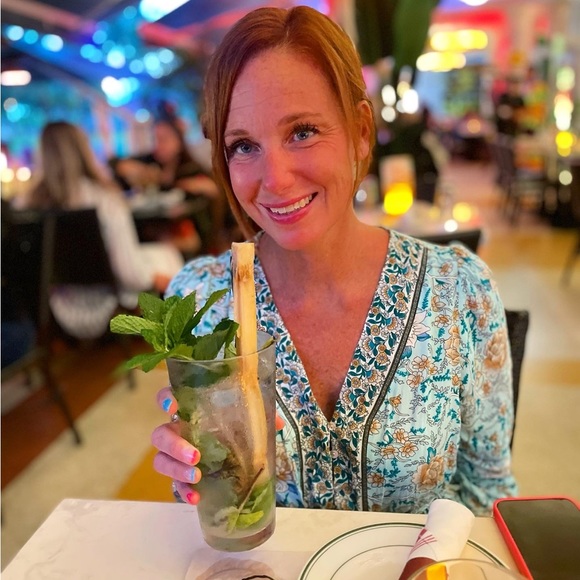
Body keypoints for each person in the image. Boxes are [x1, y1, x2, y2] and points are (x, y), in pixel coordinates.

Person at [151, 6, 517, 516]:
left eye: (302, 131)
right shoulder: (200, 302)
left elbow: (488, 494)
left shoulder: (460, 291)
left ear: (360, 131)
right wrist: (193, 474)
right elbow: (215, 502)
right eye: (244, 145)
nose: (275, 179)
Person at [19, 121, 184, 339]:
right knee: (167, 255)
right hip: (106, 305)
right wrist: (157, 278)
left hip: (53, 308)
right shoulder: (105, 199)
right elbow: (129, 273)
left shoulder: (25, 206)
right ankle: (184, 336)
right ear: (83, 149)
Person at [111, 115, 231, 254]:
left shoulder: (190, 169)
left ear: (178, 141)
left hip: (193, 237)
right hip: (155, 231)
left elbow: (211, 197)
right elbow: (115, 163)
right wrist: (136, 169)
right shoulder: (150, 163)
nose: (158, 145)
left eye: (163, 139)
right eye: (154, 139)